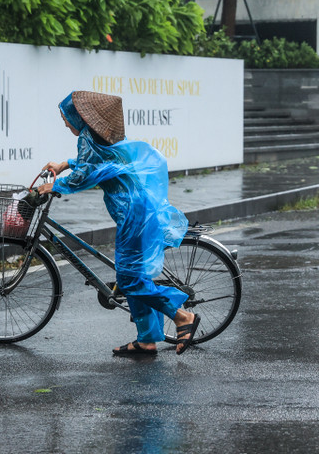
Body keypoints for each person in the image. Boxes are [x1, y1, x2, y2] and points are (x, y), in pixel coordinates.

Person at [35, 91, 200, 357]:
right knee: (134, 276)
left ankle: (181, 317)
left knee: (129, 279)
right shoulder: (95, 139)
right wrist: (64, 163)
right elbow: (95, 162)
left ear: (79, 117)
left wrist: (53, 185)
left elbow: (84, 176)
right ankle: (146, 340)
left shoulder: (89, 139)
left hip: (135, 216)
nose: (65, 123)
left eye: (65, 118)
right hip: (136, 212)